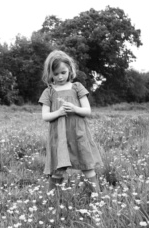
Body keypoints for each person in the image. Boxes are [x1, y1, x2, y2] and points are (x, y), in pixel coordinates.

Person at [38, 50, 103, 195]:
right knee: (58, 169)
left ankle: (97, 196)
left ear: (70, 70)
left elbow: (87, 110)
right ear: (50, 74)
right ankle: (50, 198)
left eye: (63, 72)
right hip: (59, 137)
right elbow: (45, 116)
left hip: (78, 134)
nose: (60, 77)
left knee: (87, 166)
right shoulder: (48, 92)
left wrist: (74, 108)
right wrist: (59, 112)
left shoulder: (77, 87)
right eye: (56, 74)